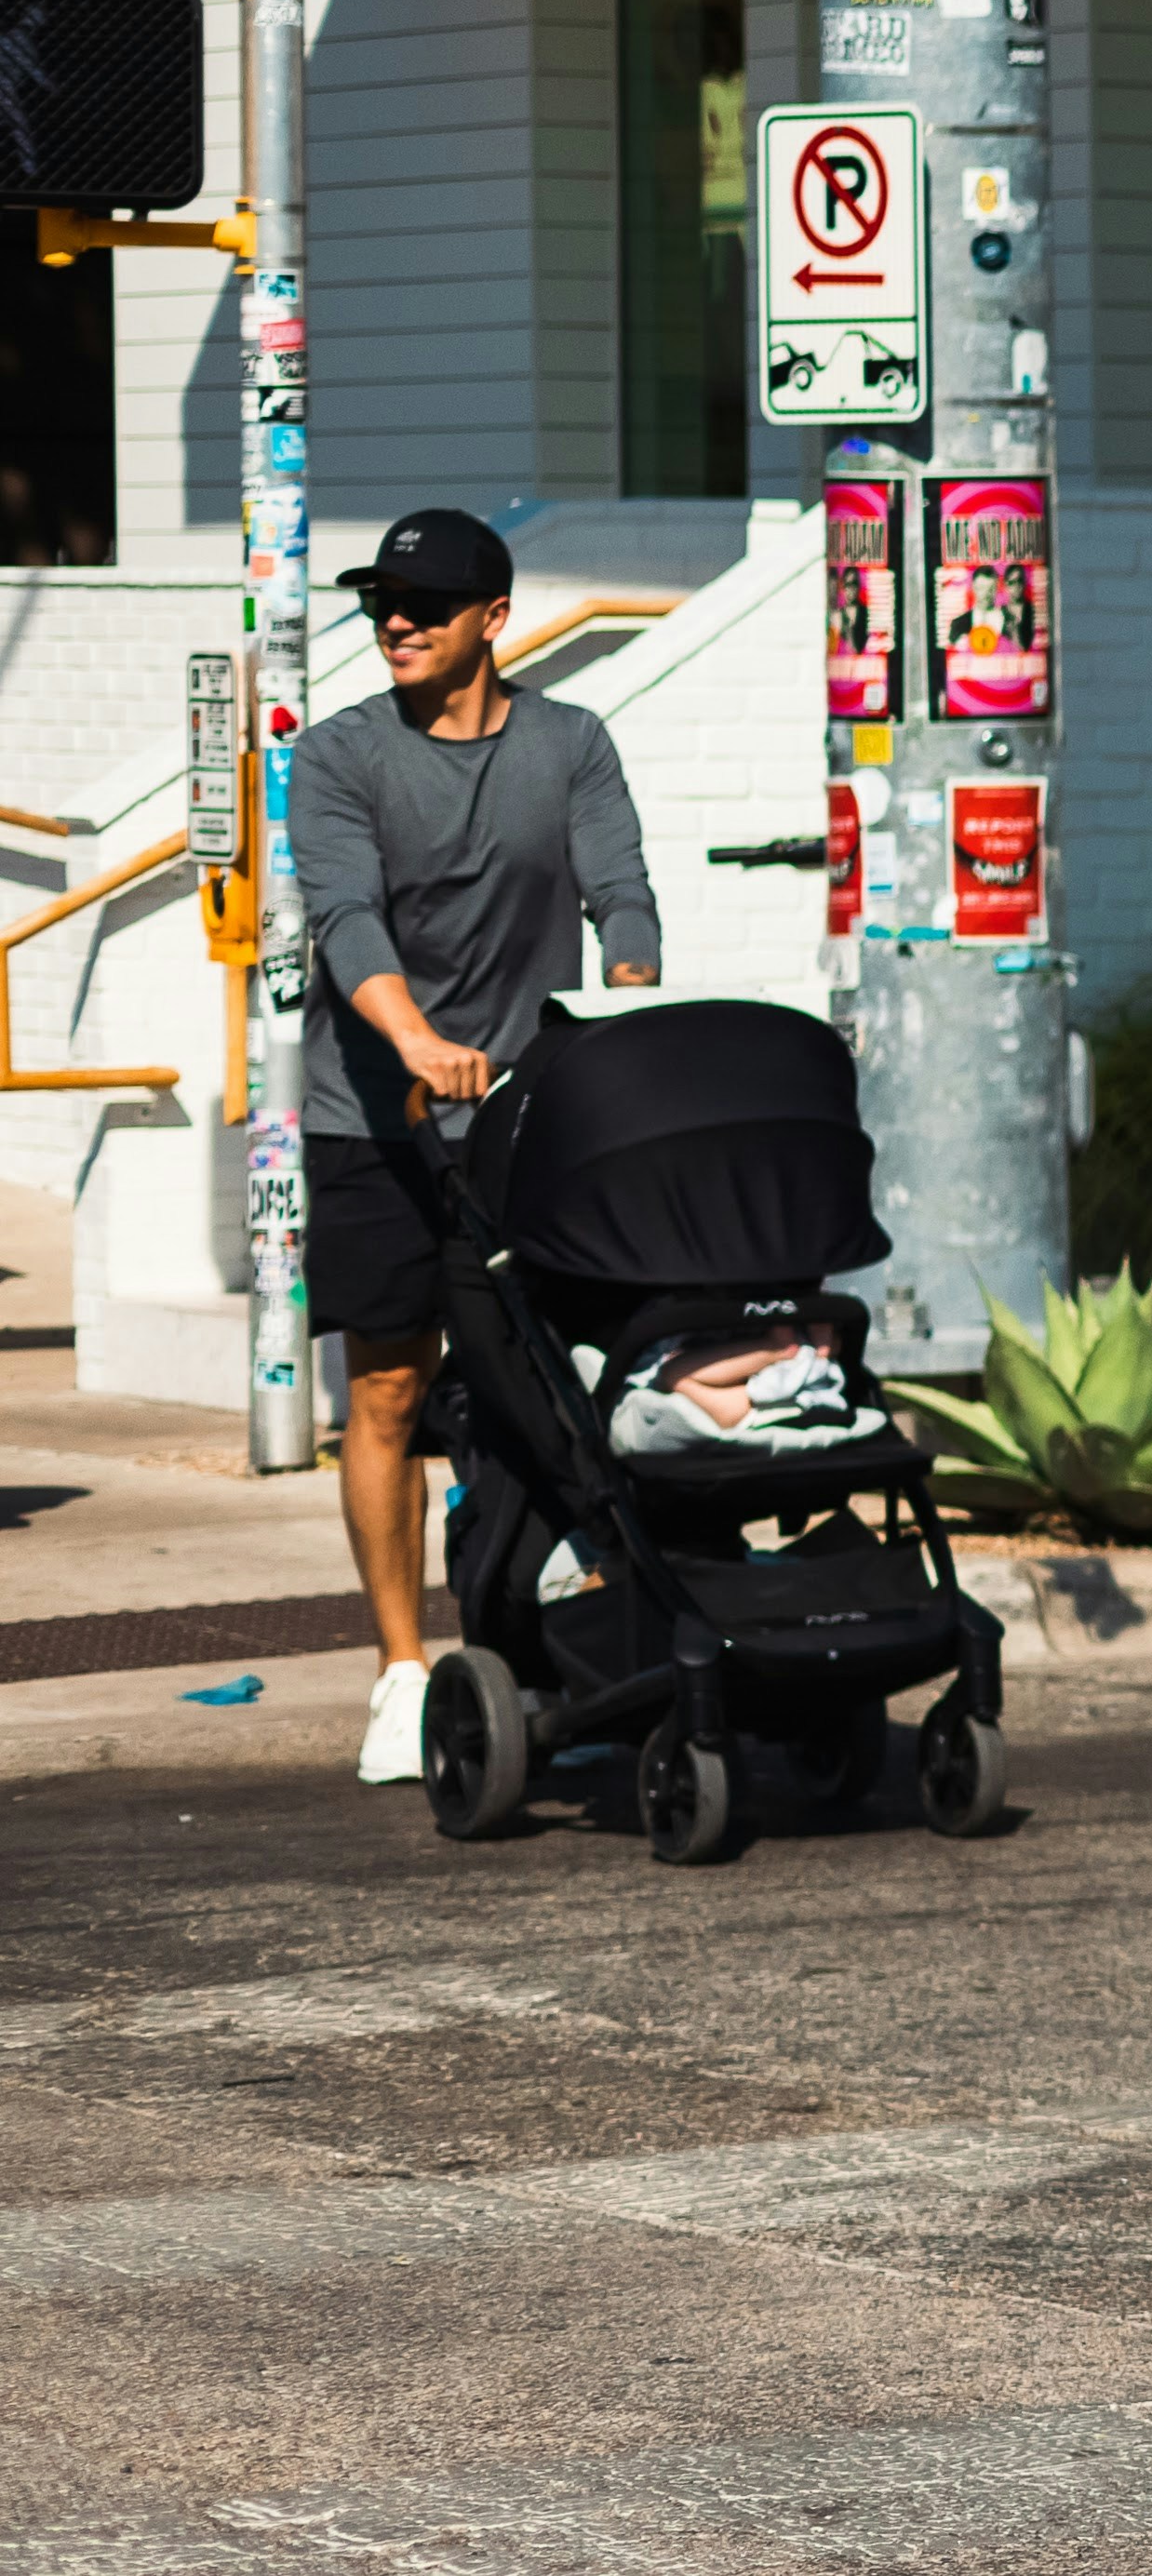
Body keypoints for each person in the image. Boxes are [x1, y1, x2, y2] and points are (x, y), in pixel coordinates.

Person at [301, 509, 664, 1788]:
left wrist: (628, 992)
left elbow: (620, 888)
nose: (395, 621)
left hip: (524, 1119)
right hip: (377, 1121)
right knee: (391, 1390)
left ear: (491, 621)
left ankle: (559, 1632)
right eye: (380, 604)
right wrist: (412, 1039)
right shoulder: (337, 755)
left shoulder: (569, 744)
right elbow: (348, 919)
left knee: (555, 1385)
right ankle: (404, 1671)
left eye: (426, 604)